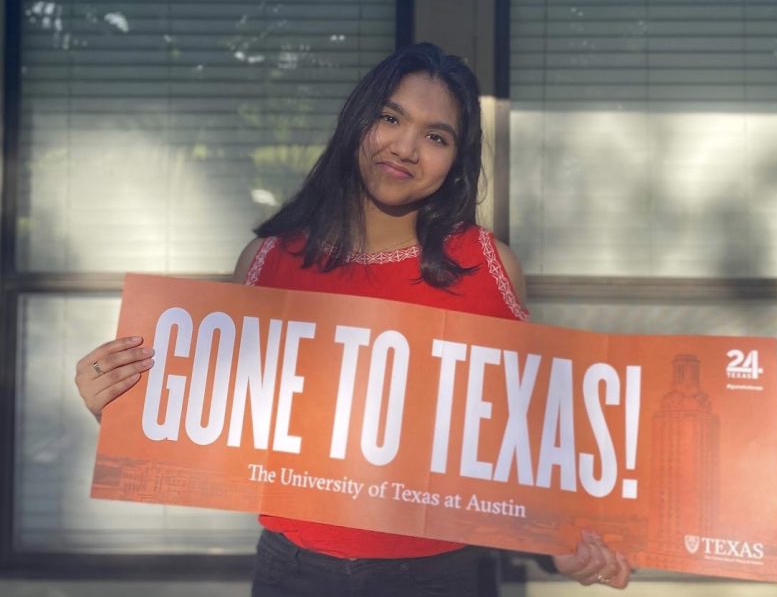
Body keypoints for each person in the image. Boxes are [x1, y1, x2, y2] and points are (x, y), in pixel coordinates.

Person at [74, 43, 631, 596]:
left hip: (444, 578)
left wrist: (561, 545)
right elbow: (219, 427)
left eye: (436, 136)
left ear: (456, 159)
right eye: (391, 118)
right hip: (293, 572)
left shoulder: (489, 268)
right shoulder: (268, 261)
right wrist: (127, 411)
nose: (406, 147)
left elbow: (519, 445)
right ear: (358, 120)